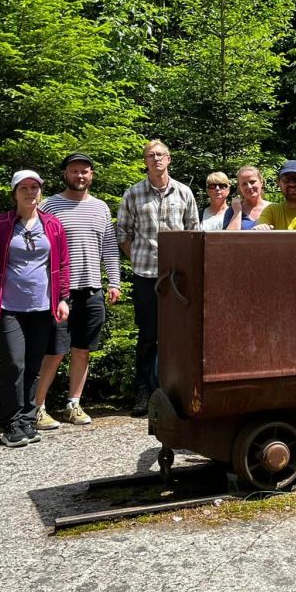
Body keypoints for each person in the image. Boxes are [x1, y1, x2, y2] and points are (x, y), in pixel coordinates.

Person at [0, 171, 71, 448]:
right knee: (14, 363)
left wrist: (63, 298)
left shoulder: (52, 225)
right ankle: (11, 422)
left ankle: (28, 419)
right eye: (24, 188)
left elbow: (63, 264)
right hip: (8, 308)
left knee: (33, 365)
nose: (30, 193)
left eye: (35, 188)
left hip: (43, 307)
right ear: (14, 193)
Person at [33, 153, 122, 429]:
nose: (79, 176)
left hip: (92, 289)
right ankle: (36, 408)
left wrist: (114, 282)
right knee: (55, 351)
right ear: (65, 174)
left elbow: (109, 247)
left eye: (84, 171)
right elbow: (38, 247)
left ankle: (73, 404)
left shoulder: (101, 208)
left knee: (83, 350)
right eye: (74, 171)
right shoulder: (49, 205)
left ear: (92, 175)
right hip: (60, 293)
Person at [117, 140, 199, 416]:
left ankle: (176, 389)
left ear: (169, 159)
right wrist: (138, 257)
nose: (156, 159)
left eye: (160, 154)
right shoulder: (133, 194)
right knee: (148, 335)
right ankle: (144, 391)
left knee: (178, 334)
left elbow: (193, 231)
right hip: (146, 276)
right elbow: (123, 233)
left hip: (178, 278)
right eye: (151, 155)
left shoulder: (184, 192)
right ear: (145, 161)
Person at [224, 165, 269, 231]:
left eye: (252, 182)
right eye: (244, 184)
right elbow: (228, 236)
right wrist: (237, 212)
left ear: (261, 182)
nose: (249, 187)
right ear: (239, 187)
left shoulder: (274, 208)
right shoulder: (232, 211)